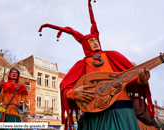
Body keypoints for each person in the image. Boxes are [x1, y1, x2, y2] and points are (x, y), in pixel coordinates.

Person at [38, 0, 155, 130]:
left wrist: (141, 81)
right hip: (96, 112)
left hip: (122, 109)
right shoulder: (82, 64)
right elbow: (65, 85)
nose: (95, 42)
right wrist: (73, 93)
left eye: (95, 39)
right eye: (90, 41)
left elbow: (130, 78)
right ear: (85, 45)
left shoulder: (113, 56)